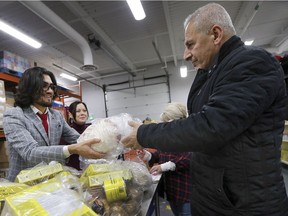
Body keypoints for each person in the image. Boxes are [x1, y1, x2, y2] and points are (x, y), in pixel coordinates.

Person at [121, 3, 288, 216]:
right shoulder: (216, 70)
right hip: (220, 198)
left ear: (216, 35)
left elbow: (210, 126)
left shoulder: (251, 62)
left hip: (244, 205)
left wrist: (144, 134)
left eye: (190, 44)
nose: (186, 55)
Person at [3, 67, 104, 182]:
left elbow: (78, 139)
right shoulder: (14, 115)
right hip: (23, 187)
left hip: (52, 184)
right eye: (44, 85)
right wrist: (71, 149)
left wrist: (110, 140)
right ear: (29, 87)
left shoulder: (56, 116)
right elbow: (30, 153)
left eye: (51, 87)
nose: (50, 91)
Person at [140, 102, 192, 216]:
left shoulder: (189, 136)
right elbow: (161, 153)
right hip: (173, 192)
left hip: (187, 193)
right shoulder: (169, 138)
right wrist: (148, 155)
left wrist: (164, 166)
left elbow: (189, 158)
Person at [65, 101, 91, 170]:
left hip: (92, 171)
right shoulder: (66, 133)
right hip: (73, 173)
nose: (82, 113)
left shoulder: (92, 129)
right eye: (78, 111)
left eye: (84, 111)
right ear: (70, 115)